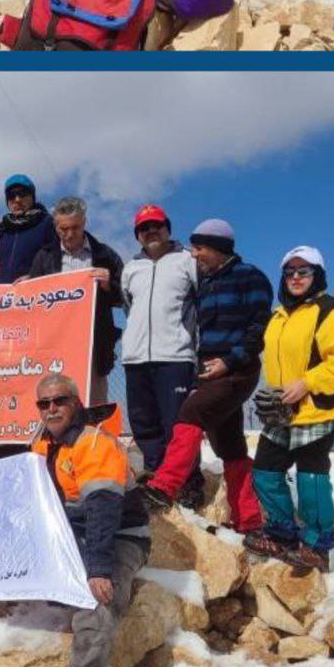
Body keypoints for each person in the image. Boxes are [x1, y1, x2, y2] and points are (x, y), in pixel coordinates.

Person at [140, 219, 270, 543]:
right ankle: (249, 520)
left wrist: (229, 361)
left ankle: (164, 487)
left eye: (199, 248)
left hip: (238, 369)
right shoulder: (207, 280)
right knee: (230, 446)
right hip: (211, 369)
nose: (194, 254)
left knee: (190, 413)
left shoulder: (250, 277)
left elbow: (259, 330)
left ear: (218, 247)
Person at [248, 247, 334, 573]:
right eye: (290, 272)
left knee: (311, 478)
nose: (296, 278)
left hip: (316, 409)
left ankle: (316, 545)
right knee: (266, 472)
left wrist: (309, 382)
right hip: (281, 412)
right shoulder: (278, 316)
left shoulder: (331, 311)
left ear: (317, 275)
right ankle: (282, 531)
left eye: (304, 271)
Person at [30, 375, 150, 667]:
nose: (52, 409)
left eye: (60, 401)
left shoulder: (95, 442)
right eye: (44, 403)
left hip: (120, 533)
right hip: (71, 532)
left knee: (97, 600)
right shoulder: (41, 444)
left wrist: (99, 569)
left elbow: (103, 509)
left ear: (76, 402)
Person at [118, 205, 198, 475]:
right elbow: (130, 306)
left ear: (167, 228)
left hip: (175, 357)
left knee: (177, 426)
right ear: (137, 234)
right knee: (144, 425)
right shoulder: (131, 268)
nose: (151, 231)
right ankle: (156, 480)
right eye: (144, 227)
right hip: (136, 358)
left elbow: (201, 303)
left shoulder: (188, 260)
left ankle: (186, 484)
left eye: (156, 225)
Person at [24, 197, 123, 404]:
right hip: (54, 347)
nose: (69, 234)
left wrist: (109, 285)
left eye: (75, 228)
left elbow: (125, 297)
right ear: (55, 226)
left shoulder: (105, 255)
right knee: (55, 404)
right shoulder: (44, 257)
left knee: (94, 407)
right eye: (63, 228)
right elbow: (31, 305)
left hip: (94, 348)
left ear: (84, 222)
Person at [0, 174, 56, 282]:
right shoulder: (3, 231)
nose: (17, 199)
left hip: (36, 292)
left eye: (22, 194)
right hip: (4, 295)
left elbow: (58, 258)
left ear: (32, 197)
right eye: (11, 195)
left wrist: (35, 276)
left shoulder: (47, 222)